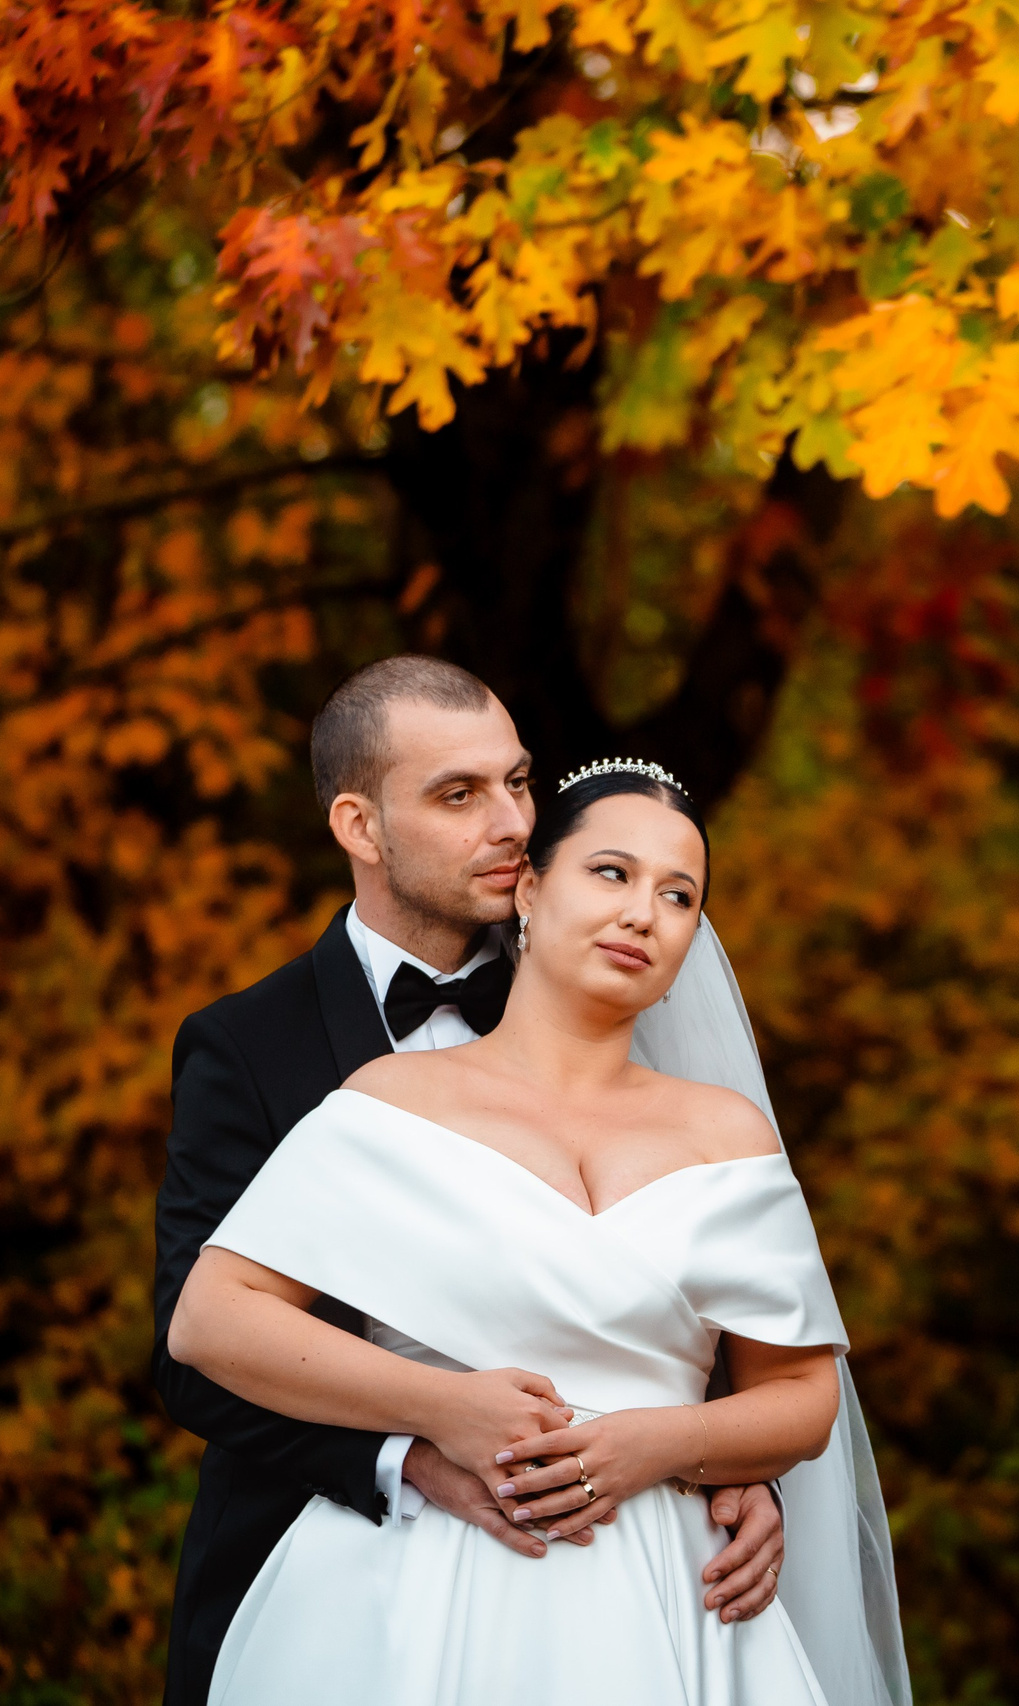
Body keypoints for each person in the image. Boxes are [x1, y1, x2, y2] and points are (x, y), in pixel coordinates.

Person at [150, 658, 789, 1706]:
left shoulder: (606, 972)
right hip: (333, 1580)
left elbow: (686, 1275)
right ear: (359, 825)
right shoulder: (246, 1045)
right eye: (459, 795)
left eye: (519, 782)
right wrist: (414, 1454)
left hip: (630, 1587)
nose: (511, 822)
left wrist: (730, 1459)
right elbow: (193, 1351)